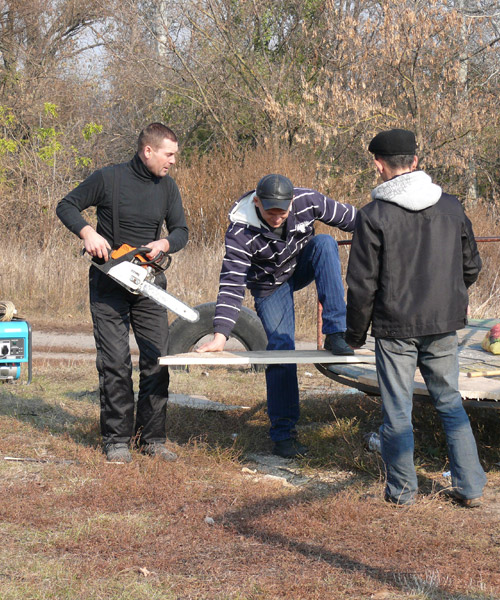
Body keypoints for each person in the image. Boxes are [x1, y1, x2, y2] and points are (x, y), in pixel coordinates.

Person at [345, 129, 487, 507]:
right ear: (416, 161)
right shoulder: (452, 206)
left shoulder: (373, 216)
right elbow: (471, 267)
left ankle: (402, 492)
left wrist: (355, 335)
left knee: (397, 410)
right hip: (443, 323)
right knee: (450, 403)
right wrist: (448, 297)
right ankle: (470, 488)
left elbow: (362, 285)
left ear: (378, 164)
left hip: (395, 328)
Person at [197, 174, 356, 458]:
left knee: (324, 244)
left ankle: (336, 333)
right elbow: (232, 284)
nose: (277, 218)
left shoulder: (309, 201)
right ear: (257, 202)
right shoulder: (240, 231)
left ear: (292, 202)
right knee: (282, 349)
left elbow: (356, 219)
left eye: (282, 212)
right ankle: (284, 435)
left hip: (299, 264)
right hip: (269, 286)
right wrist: (221, 335)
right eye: (270, 212)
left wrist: (392, 222)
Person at [56, 123, 188, 464]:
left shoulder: (167, 188)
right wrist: (87, 232)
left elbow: (181, 230)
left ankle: (153, 439)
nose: (173, 161)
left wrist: (165, 243)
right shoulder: (108, 179)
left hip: (148, 285)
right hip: (108, 284)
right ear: (148, 151)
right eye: (169, 154)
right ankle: (116, 440)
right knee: (115, 364)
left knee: (157, 360)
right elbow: (66, 206)